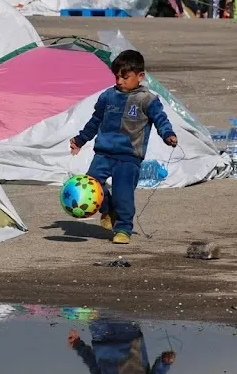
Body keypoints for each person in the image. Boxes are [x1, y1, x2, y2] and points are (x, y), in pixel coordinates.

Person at [69, 50, 178, 244]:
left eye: (125, 77)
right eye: (117, 77)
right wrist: (80, 140)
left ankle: (123, 229)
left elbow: (161, 120)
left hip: (129, 157)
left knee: (123, 195)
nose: (119, 81)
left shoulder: (147, 99)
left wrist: (167, 134)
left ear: (140, 76)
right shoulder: (107, 96)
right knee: (92, 185)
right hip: (103, 154)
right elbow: (94, 121)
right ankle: (108, 209)